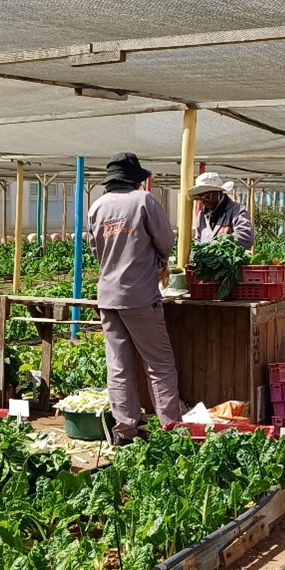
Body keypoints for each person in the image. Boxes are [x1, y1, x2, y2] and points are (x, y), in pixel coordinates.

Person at [88, 153, 186, 443]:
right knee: (159, 363)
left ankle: (125, 431)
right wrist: (154, 258)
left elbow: (96, 250)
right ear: (135, 178)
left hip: (108, 297)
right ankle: (171, 430)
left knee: (118, 365)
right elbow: (166, 242)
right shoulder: (144, 200)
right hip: (140, 296)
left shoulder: (97, 206)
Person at [188, 172, 255, 247]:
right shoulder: (202, 215)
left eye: (207, 196)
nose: (204, 201)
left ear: (219, 193)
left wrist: (218, 245)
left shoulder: (237, 211)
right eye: (200, 197)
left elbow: (246, 237)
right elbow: (198, 238)